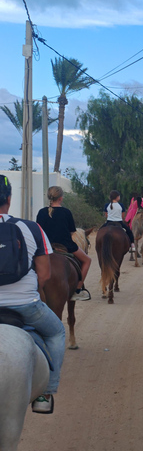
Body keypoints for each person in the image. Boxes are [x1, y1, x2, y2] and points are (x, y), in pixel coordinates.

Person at [0, 174, 63, 414]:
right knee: (57, 332)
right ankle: (46, 394)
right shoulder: (30, 228)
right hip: (25, 305)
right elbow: (44, 274)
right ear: (9, 198)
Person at [36, 186, 92, 301]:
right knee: (87, 260)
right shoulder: (66, 212)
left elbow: (39, 231)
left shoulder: (41, 212)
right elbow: (72, 231)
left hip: (46, 246)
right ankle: (78, 289)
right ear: (61, 198)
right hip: (65, 245)